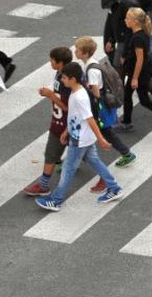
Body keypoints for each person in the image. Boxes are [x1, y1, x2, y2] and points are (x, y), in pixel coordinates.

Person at [35, 62, 124, 212]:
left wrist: (101, 139)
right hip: (82, 136)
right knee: (94, 161)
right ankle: (114, 188)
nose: (61, 80)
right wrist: (67, 131)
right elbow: (74, 116)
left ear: (72, 79)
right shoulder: (76, 92)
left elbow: (89, 119)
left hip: (80, 139)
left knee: (68, 169)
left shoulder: (79, 97)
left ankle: (56, 200)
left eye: (64, 78)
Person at [72, 36, 139, 190]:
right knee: (103, 132)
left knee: (97, 133)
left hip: (99, 108)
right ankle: (126, 154)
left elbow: (95, 92)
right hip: (100, 107)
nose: (75, 51)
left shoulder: (91, 70)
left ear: (85, 53)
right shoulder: (92, 64)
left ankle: (126, 155)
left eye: (78, 50)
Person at [23, 47, 74, 197]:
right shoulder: (60, 75)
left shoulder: (67, 80)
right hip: (59, 121)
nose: (50, 62)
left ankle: (44, 186)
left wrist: (50, 95)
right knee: (87, 155)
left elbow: (67, 107)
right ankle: (107, 180)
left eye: (52, 60)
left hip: (63, 124)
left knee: (51, 154)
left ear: (60, 62)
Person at [106, 0, 142, 69]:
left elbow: (130, 29)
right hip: (121, 39)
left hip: (124, 42)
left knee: (119, 69)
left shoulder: (129, 3)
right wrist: (112, 40)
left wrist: (124, 53)